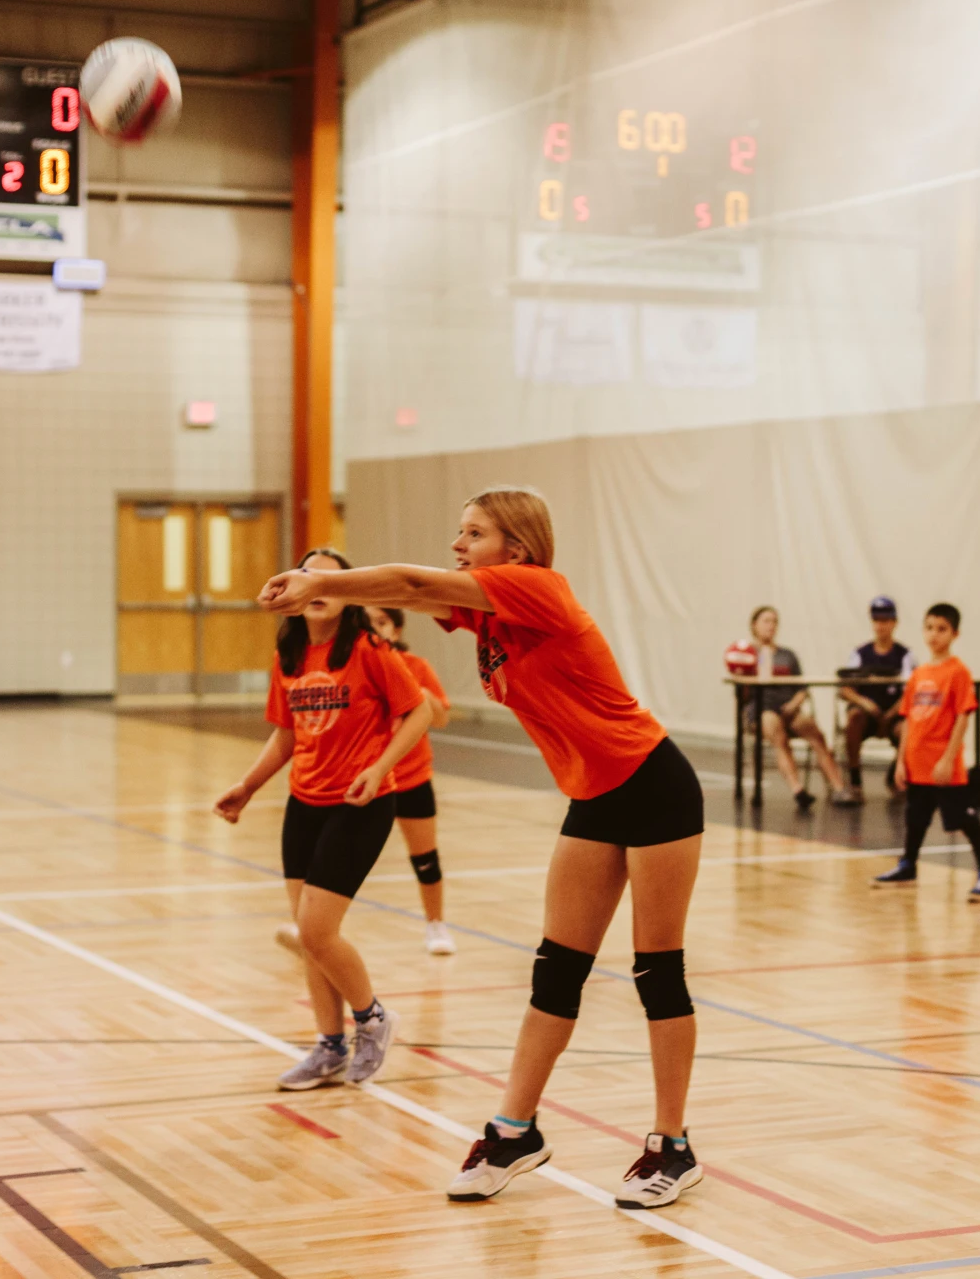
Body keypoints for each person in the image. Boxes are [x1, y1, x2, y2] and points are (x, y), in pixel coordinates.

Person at [257, 486, 706, 1210]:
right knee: (556, 972)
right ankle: (513, 1131)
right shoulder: (489, 612)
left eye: (473, 533)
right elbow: (410, 595)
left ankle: (672, 1146)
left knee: (657, 970)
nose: (457, 545)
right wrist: (333, 595)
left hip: (653, 784)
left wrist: (320, 582)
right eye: (459, 532)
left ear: (515, 547)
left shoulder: (536, 588)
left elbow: (412, 585)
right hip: (594, 796)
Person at [215, 548, 433, 1090]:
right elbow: (286, 733)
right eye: (310, 576)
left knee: (316, 930)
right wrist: (247, 786)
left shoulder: (368, 648)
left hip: (360, 805)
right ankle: (329, 1046)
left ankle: (373, 1018)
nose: (320, 589)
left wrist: (380, 767)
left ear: (350, 593)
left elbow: (420, 710)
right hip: (304, 805)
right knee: (312, 938)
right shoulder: (289, 656)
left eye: (334, 581)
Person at [872, 602, 980, 898]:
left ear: (955, 634)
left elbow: (963, 716)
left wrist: (948, 759)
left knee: (965, 818)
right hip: (917, 763)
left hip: (943, 766)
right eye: (929, 628)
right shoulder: (919, 674)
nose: (934, 634)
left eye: (942, 629)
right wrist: (901, 761)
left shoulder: (958, 672)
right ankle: (908, 865)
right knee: (915, 819)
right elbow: (908, 719)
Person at [367, 605, 458, 955]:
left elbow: (441, 719)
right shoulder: (354, 666)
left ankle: (436, 925)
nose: (375, 629)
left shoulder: (416, 666)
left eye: (382, 622)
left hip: (411, 777)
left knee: (425, 858)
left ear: (397, 629)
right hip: (365, 779)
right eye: (367, 623)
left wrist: (414, 688)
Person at [734, 606, 857, 809]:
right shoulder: (747, 655)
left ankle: (838, 787)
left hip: (788, 708)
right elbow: (743, 695)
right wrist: (742, 676)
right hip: (762, 709)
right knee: (777, 734)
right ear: (754, 625)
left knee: (814, 732)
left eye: (775, 621)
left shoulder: (787, 655)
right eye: (766, 621)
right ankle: (797, 789)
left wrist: (794, 704)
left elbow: (802, 689)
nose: (771, 626)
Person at [838, 595, 915, 801]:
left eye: (885, 620)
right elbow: (845, 689)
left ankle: (896, 774)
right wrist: (865, 703)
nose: (881, 626)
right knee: (854, 719)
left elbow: (911, 692)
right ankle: (855, 781)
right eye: (877, 620)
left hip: (894, 714)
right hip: (867, 714)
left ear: (894, 623)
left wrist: (891, 714)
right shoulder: (860, 654)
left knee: (909, 728)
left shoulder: (905, 655)